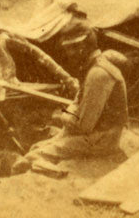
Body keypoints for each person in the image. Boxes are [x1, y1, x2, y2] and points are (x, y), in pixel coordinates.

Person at [17, 20, 128, 174]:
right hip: (94, 134)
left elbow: (83, 126)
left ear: (83, 47)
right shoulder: (92, 68)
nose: (69, 53)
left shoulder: (99, 74)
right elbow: (77, 103)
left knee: (33, 156)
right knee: (36, 148)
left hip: (102, 139)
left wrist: (62, 115)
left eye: (72, 48)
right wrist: (69, 116)